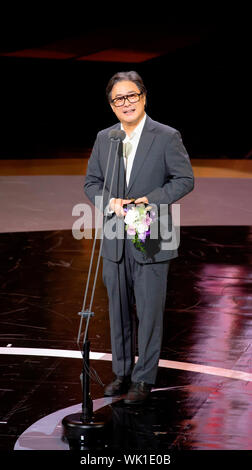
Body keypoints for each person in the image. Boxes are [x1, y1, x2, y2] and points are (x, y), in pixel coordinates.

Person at [84, 71, 194, 405]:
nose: (126, 103)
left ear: (143, 97)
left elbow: (184, 179)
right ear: (111, 105)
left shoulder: (166, 136)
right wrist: (109, 202)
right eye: (119, 99)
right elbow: (91, 183)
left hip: (151, 232)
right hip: (116, 235)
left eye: (132, 96)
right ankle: (122, 373)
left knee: (148, 311)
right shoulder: (106, 138)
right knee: (117, 309)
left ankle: (144, 379)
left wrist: (151, 199)